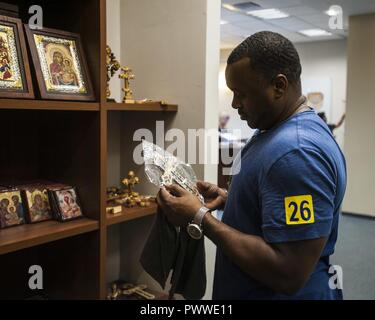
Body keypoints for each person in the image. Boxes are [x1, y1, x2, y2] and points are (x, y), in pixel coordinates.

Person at [157, 31, 346, 300]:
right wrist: (230, 200)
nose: (234, 105)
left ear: (279, 86)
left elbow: (289, 271)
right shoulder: (275, 128)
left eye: (242, 94)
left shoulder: (297, 153)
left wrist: (199, 217)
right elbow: (277, 210)